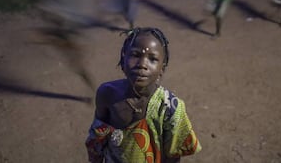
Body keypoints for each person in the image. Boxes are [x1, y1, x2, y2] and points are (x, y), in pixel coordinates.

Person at [85, 27, 201, 162]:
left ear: (161, 70)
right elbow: (97, 138)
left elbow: (173, 155)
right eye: (135, 55)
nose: (142, 64)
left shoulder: (170, 107)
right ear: (123, 60)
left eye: (152, 59)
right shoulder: (107, 94)